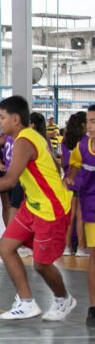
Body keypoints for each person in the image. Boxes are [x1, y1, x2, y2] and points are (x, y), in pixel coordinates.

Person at [0, 95, 76, 321]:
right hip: (33, 205)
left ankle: (63, 298)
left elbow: (10, 180)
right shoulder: (15, 135)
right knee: (6, 247)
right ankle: (26, 302)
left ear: (16, 119)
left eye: (2, 117)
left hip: (52, 208)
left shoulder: (25, 141)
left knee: (41, 264)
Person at [64, 104, 95, 325]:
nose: (91, 126)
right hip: (92, 208)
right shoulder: (81, 147)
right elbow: (73, 169)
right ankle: (93, 308)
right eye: (90, 121)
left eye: (94, 121)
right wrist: (69, 179)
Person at [60, 112, 87, 257]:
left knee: (69, 216)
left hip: (69, 180)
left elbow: (64, 162)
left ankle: (67, 247)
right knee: (81, 215)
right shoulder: (86, 142)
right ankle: (81, 248)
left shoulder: (64, 141)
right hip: (83, 179)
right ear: (83, 125)